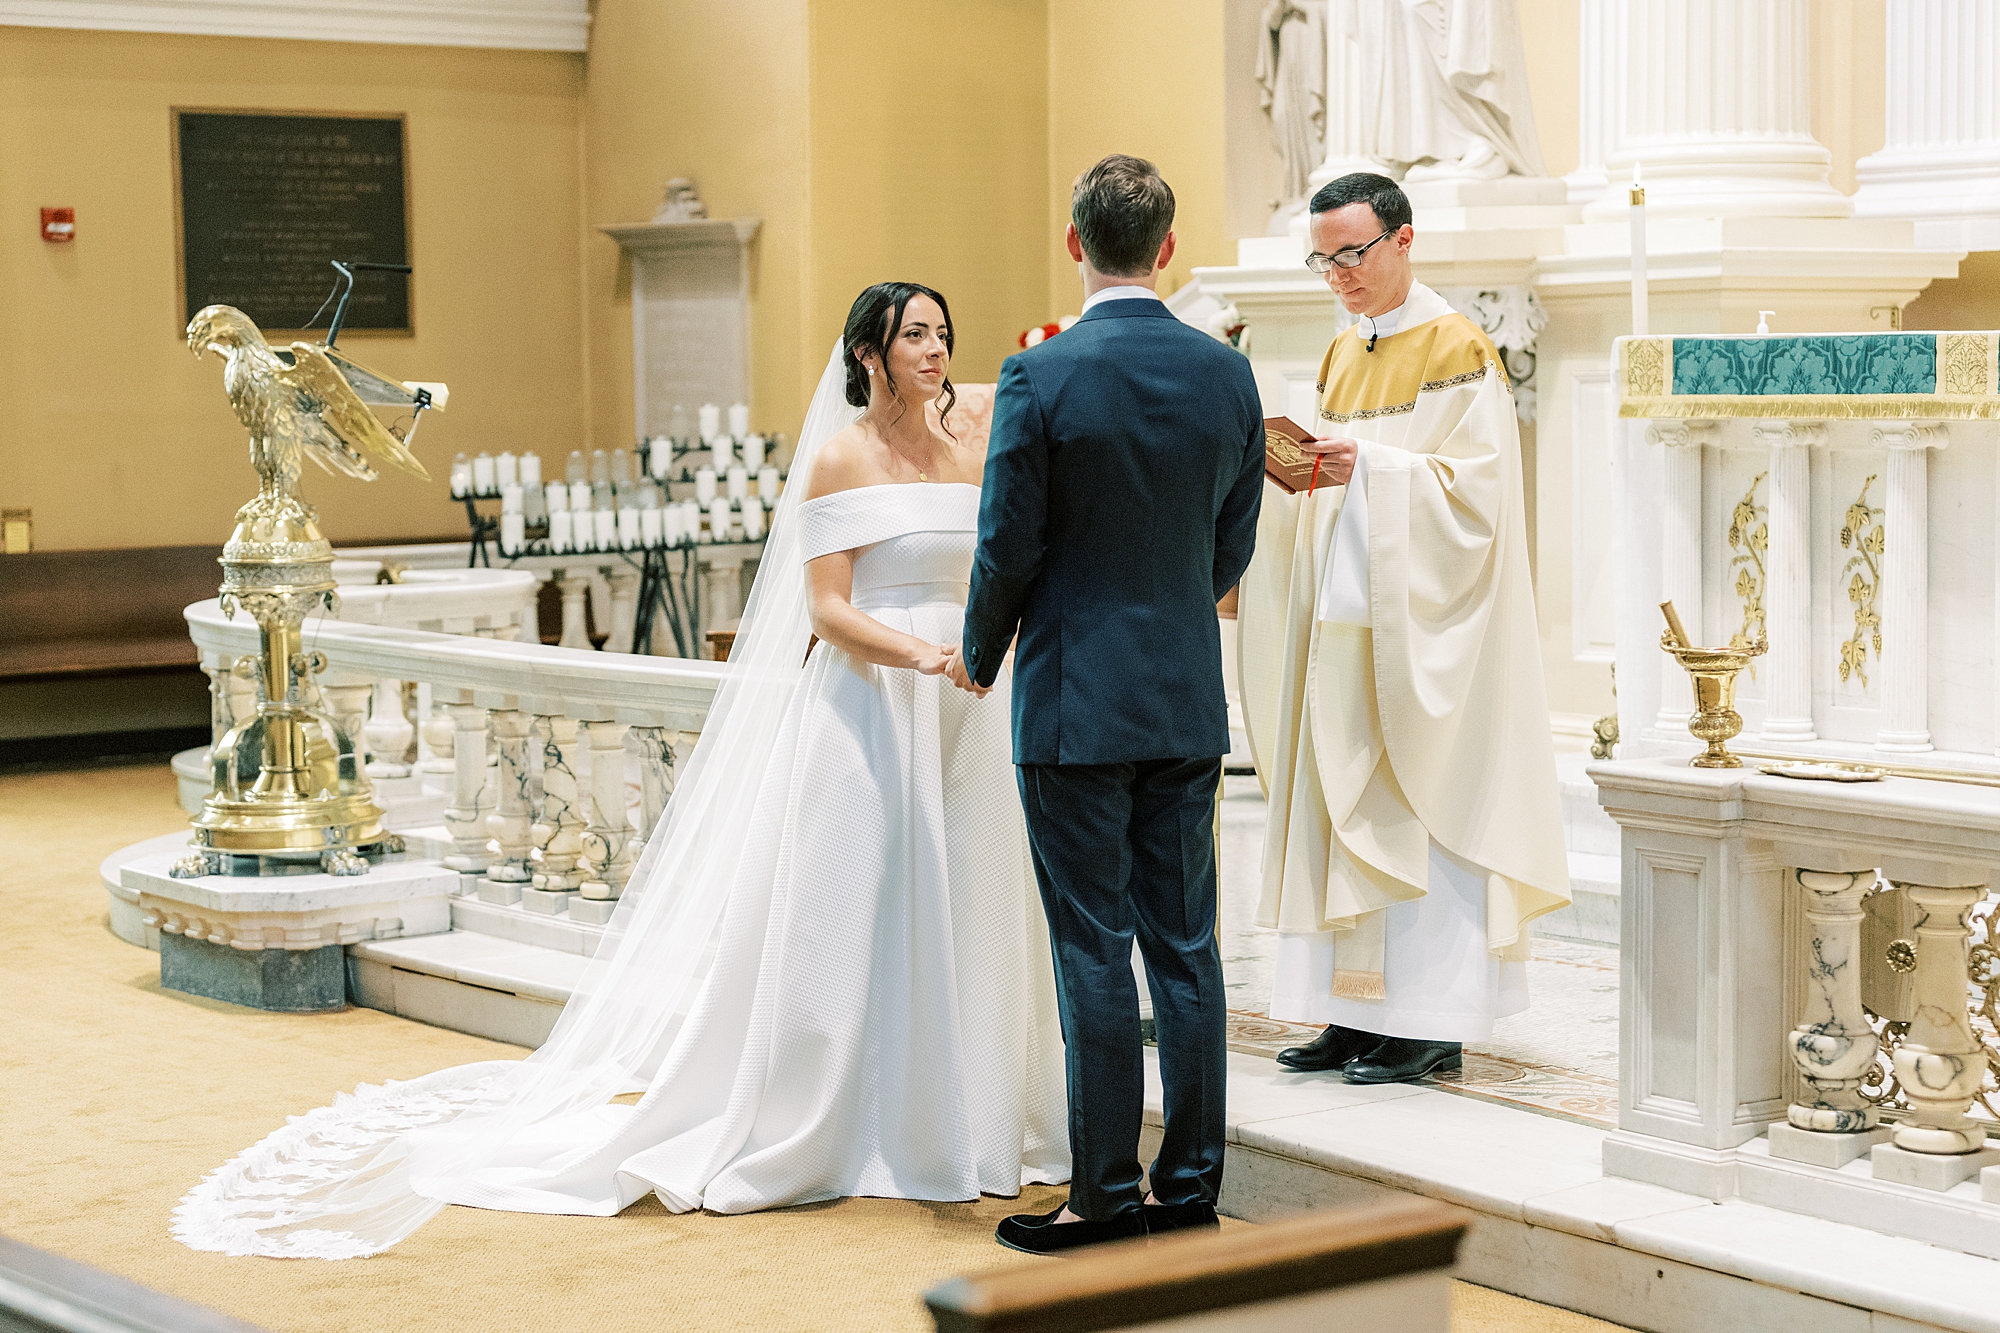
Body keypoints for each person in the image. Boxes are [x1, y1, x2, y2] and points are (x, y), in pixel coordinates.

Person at [173, 283, 1069, 1259]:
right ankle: (862, 1111)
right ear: (868, 353)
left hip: (972, 707)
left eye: (941, 333)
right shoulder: (840, 454)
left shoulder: (967, 440)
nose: (934, 351)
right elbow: (824, 611)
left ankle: (972, 1107)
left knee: (973, 904)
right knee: (862, 905)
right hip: (878, 700)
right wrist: (922, 655)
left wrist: (982, 647)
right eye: (913, 336)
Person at [952, 155, 1266, 1255]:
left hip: (1075, 702)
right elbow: (1232, 540)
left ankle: (1101, 1196)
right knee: (1186, 944)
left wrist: (979, 653)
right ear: (1167, 250)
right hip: (1183, 695)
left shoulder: (1040, 376)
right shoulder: (1226, 375)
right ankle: (1188, 1187)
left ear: (1073, 243)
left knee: (1092, 946)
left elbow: (1006, 545)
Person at [1236, 172, 1568, 1085]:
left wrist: (1371, 465)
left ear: (1403, 241)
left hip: (1426, 625)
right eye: (1324, 257)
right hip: (1347, 610)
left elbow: (1480, 496)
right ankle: (1354, 1012)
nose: (1338, 273)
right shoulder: (1345, 352)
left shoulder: (1459, 346)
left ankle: (1427, 1021)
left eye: (1353, 252)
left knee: (1417, 803)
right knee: (1344, 805)